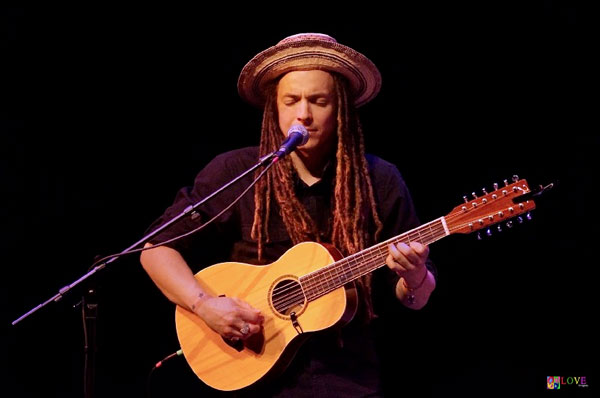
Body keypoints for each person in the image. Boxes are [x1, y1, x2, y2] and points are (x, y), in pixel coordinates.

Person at [140, 33, 436, 397]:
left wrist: (416, 276)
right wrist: (205, 306)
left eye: (319, 101)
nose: (304, 115)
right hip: (250, 375)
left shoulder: (380, 179)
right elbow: (156, 249)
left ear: (340, 107)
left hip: (347, 379)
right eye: (291, 101)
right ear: (275, 109)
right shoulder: (237, 172)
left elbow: (415, 299)